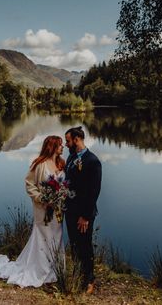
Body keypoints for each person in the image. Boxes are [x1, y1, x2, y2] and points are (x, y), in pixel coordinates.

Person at [0, 135, 66, 287]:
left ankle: (54, 270)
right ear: (52, 146)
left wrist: (61, 196)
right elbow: (29, 184)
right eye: (60, 144)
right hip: (43, 209)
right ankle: (39, 270)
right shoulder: (39, 164)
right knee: (43, 237)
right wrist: (41, 198)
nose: (62, 147)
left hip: (58, 210)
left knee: (56, 237)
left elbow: (64, 185)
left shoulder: (61, 163)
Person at [64, 126, 102, 294]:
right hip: (70, 211)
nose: (66, 144)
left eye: (68, 140)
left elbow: (94, 191)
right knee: (74, 245)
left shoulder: (93, 161)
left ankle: (89, 280)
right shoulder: (71, 157)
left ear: (77, 139)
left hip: (83, 214)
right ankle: (78, 274)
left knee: (85, 246)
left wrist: (85, 216)